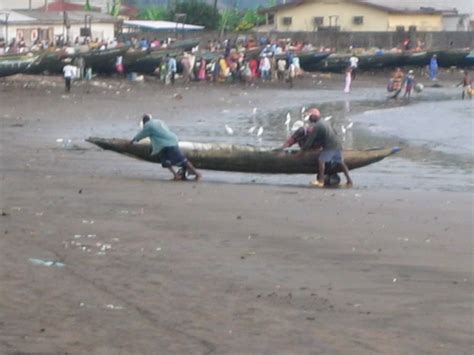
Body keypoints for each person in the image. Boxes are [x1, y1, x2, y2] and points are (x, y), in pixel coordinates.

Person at [286, 108, 352, 187]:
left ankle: (320, 181)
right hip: (337, 145)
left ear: (314, 116)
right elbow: (334, 133)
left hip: (330, 146)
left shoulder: (318, 126)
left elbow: (309, 141)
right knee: (340, 162)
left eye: (310, 116)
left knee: (321, 161)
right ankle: (349, 181)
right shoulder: (325, 122)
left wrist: (300, 153)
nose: (309, 119)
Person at [130, 114, 201, 181]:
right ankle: (192, 174)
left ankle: (179, 175)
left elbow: (142, 134)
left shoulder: (148, 126)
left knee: (167, 161)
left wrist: (133, 140)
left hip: (165, 144)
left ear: (144, 122)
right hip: (173, 140)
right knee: (181, 160)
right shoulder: (159, 122)